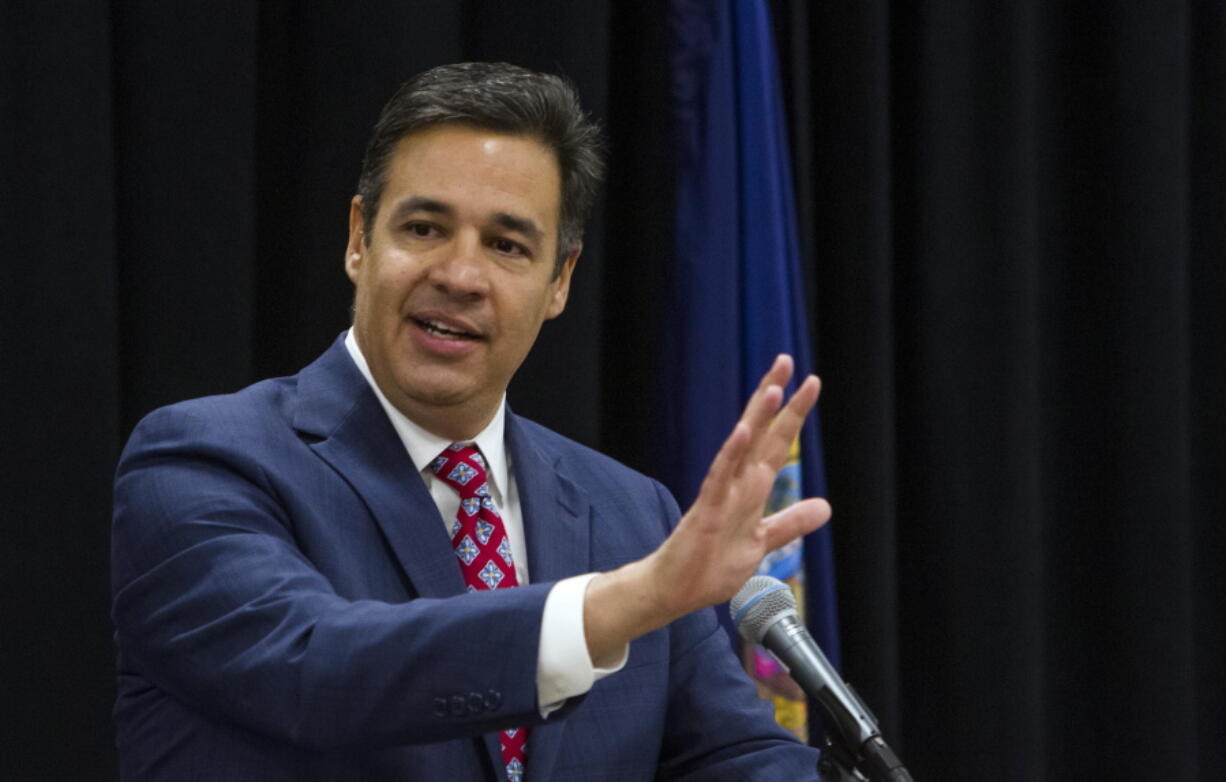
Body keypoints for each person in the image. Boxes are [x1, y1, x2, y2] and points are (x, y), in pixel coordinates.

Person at [111, 62, 832, 781]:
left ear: (561, 280)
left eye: (507, 246)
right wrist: (627, 602)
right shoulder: (201, 461)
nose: (460, 276)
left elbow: (735, 757)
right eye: (424, 228)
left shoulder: (631, 513)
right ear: (360, 238)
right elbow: (316, 667)